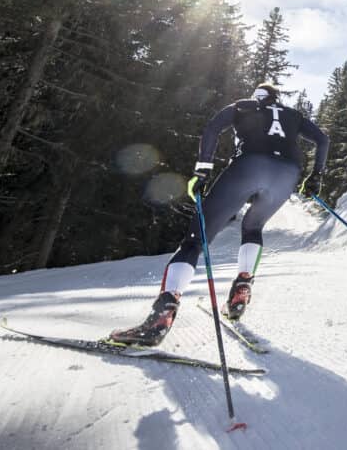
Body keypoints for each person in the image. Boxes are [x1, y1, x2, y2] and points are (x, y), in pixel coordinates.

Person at [110, 83, 329, 347]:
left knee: (195, 241)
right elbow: (322, 139)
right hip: (286, 175)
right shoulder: (293, 115)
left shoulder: (244, 105)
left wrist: (202, 170)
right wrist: (315, 177)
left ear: (257, 95)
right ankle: (242, 288)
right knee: (253, 227)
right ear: (277, 98)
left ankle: (160, 318)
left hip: (248, 165)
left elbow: (214, 126)